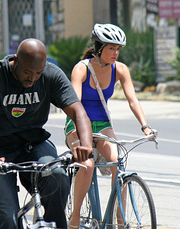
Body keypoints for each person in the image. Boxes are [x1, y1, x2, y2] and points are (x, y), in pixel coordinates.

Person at [0, 38, 93, 229]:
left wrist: (85, 145)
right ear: (15, 60)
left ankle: (54, 224)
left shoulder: (50, 75)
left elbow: (78, 112)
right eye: (27, 72)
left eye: (38, 73)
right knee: (9, 220)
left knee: (58, 175)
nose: (32, 78)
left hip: (33, 144)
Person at [64, 23, 155, 228]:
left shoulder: (120, 69)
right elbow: (74, 102)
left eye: (118, 49)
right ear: (98, 47)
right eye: (111, 48)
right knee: (86, 165)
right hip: (78, 123)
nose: (115, 53)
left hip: (102, 123)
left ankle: (120, 221)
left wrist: (145, 126)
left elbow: (133, 100)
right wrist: (81, 132)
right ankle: (75, 218)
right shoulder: (81, 68)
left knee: (118, 164)